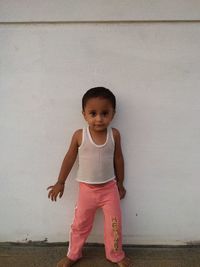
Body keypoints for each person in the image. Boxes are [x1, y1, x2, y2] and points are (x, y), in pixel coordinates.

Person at [47, 87, 132, 267]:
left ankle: (115, 255)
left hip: (110, 189)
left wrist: (121, 183)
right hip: (87, 190)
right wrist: (60, 182)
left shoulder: (114, 135)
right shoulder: (79, 135)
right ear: (84, 114)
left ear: (113, 114)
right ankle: (73, 254)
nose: (99, 118)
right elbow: (70, 158)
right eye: (93, 113)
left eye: (104, 113)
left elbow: (119, 159)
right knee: (80, 225)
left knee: (114, 226)